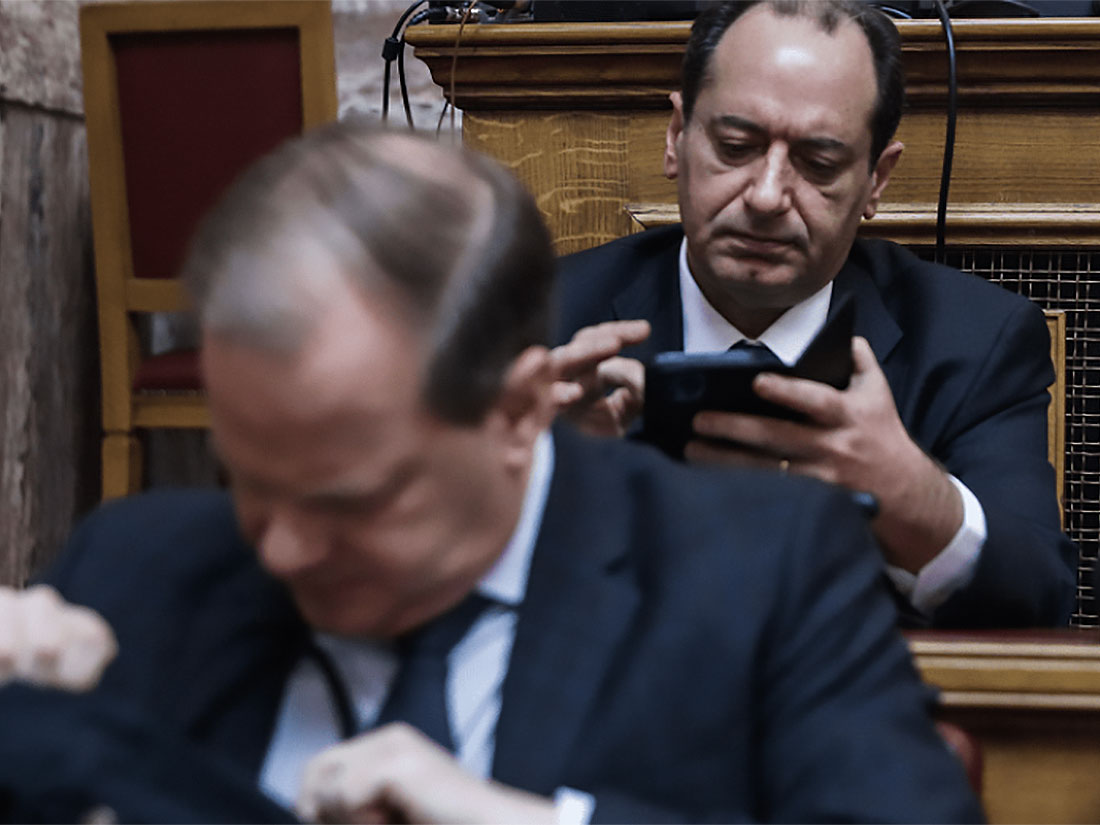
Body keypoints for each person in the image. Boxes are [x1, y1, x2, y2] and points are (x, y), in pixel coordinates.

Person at [0, 122, 982, 823]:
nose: (283, 546)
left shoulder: (759, 575)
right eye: (250, 480)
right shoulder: (134, 573)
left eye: (351, 498)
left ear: (516, 413)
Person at [552, 0, 1075, 629]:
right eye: (735, 147)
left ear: (876, 180)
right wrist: (544, 486)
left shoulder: (974, 341)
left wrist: (909, 496)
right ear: (677, 138)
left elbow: (1038, 601)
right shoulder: (545, 319)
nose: (767, 196)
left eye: (819, 164)